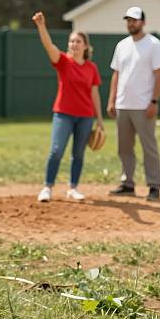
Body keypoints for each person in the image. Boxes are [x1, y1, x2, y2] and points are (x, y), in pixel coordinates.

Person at [32, 11, 104, 202]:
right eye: (71, 41)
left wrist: (100, 120)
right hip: (63, 114)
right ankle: (47, 187)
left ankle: (73, 188)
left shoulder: (92, 68)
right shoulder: (63, 62)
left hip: (85, 116)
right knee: (56, 151)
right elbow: (49, 46)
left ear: (85, 46)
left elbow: (94, 93)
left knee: (78, 154)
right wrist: (41, 26)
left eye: (78, 41)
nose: (74, 44)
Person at [107, 7, 160, 201]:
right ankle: (127, 183)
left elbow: (159, 74)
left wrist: (154, 101)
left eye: (134, 20)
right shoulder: (122, 45)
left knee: (148, 146)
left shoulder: (154, 44)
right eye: (128, 20)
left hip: (144, 105)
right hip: (123, 104)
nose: (131, 23)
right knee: (124, 147)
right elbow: (116, 74)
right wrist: (112, 100)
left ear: (143, 22)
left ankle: (154, 186)